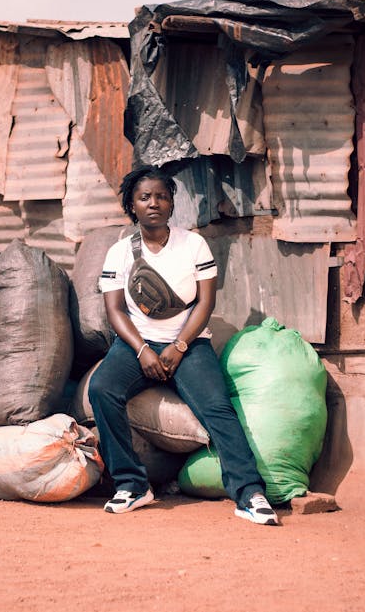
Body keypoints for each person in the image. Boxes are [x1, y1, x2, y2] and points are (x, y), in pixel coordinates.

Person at [88, 165, 279, 526]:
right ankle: (132, 485)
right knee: (101, 389)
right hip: (135, 345)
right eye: (145, 197)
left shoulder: (193, 244)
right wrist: (143, 350)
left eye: (161, 196)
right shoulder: (119, 252)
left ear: (172, 203)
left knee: (217, 408)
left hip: (189, 345)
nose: (154, 203)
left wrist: (178, 346)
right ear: (132, 205)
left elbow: (205, 304)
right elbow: (114, 310)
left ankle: (249, 493)